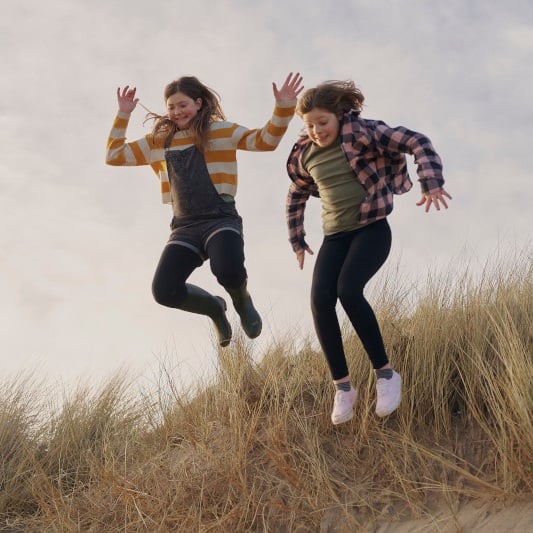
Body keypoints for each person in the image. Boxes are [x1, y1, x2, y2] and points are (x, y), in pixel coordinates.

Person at [285, 80, 451, 424]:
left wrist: (431, 182)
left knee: (348, 290)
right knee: (319, 300)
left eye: (323, 123)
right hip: (335, 237)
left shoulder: (363, 132)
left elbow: (417, 142)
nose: (317, 131)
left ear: (339, 115)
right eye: (309, 125)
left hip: (372, 229)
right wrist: (297, 238)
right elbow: (297, 193)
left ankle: (387, 375)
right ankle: (343, 388)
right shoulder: (305, 153)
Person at [106, 73, 304, 347]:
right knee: (163, 291)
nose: (177, 112)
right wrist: (123, 114)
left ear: (199, 103)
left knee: (228, 270)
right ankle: (213, 308)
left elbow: (265, 141)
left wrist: (283, 107)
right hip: (184, 227)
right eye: (171, 107)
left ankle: (241, 299)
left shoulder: (220, 131)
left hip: (220, 218)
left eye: (183, 105)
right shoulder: (158, 141)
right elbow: (114, 155)